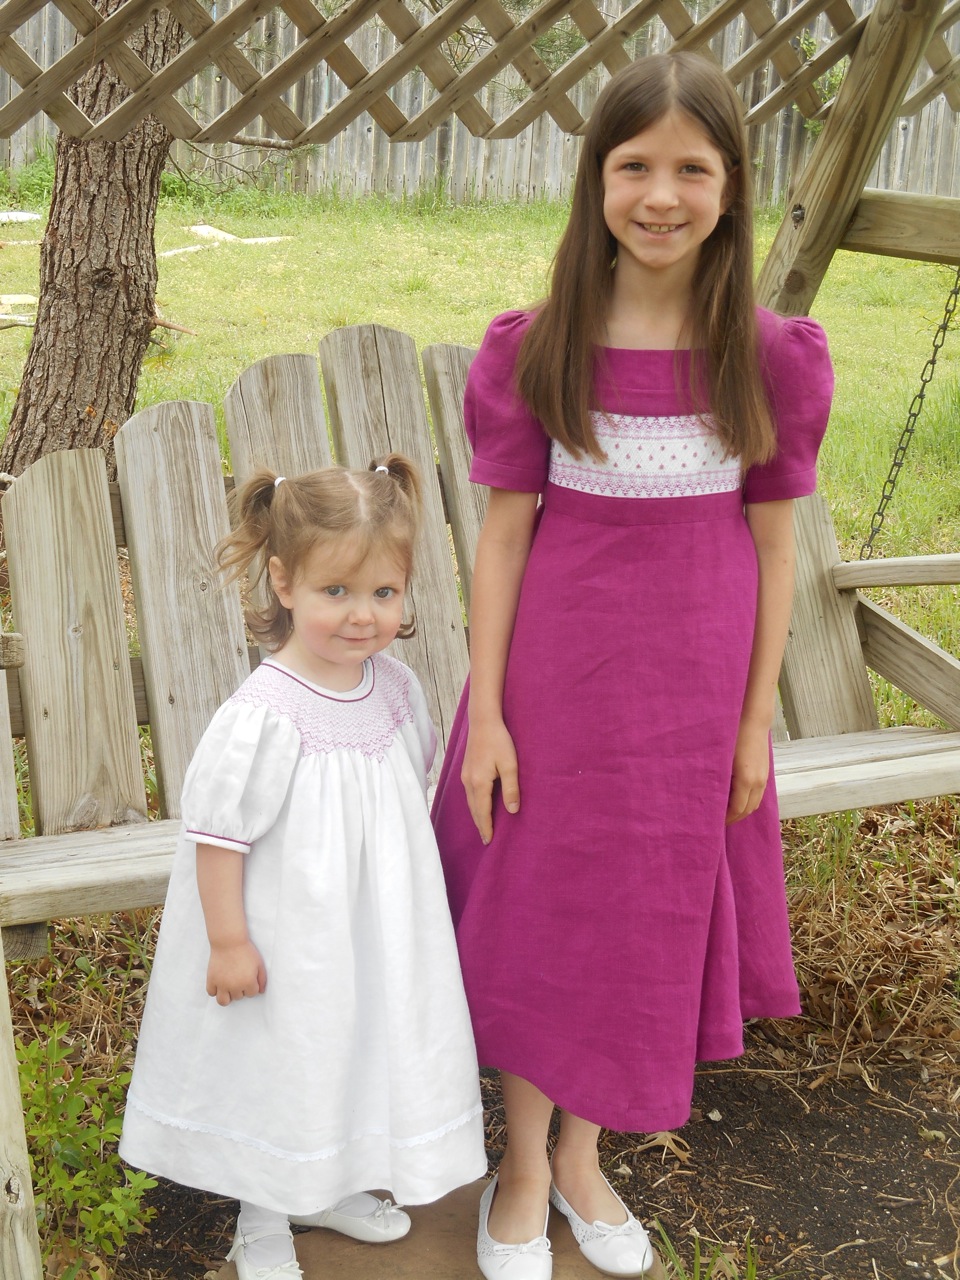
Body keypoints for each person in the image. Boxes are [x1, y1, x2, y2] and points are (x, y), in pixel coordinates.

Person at [431, 51, 834, 1280]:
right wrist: (489, 711)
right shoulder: (537, 347)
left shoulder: (769, 358)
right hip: (554, 683)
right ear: (595, 179)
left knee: (636, 918)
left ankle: (585, 1156)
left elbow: (775, 552)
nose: (661, 195)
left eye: (691, 169)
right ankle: (521, 1157)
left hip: (690, 693)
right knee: (542, 906)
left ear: (732, 186)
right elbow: (502, 540)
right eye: (634, 166)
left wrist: (754, 722)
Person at [120, 457, 487, 1280]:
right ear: (283, 583)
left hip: (373, 924)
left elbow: (407, 789)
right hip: (287, 929)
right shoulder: (265, 714)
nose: (363, 616)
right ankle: (262, 1211)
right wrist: (227, 941)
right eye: (337, 593)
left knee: (351, 1047)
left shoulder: (394, 689)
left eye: (384, 594)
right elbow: (218, 835)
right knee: (284, 1057)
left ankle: (328, 1181)